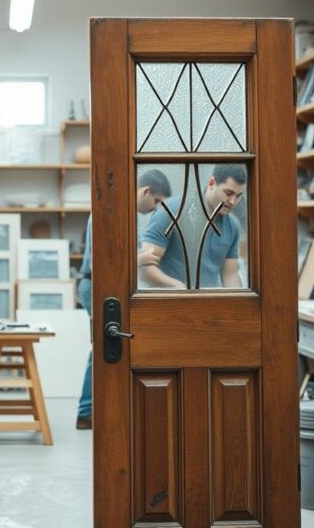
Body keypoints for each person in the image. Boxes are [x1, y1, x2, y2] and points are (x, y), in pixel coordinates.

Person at [75, 169, 172, 430]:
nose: (156, 209)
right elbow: (100, 265)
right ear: (146, 191)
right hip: (92, 285)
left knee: (107, 345)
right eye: (157, 202)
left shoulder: (125, 213)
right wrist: (139, 259)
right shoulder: (107, 210)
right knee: (104, 346)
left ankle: (99, 410)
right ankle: (87, 413)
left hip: (101, 285)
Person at [140, 164, 246, 290]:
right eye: (229, 193)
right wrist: (177, 287)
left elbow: (230, 276)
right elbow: (144, 268)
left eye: (238, 196)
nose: (233, 201)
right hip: (170, 304)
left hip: (210, 304)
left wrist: (240, 306)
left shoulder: (232, 226)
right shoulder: (171, 211)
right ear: (212, 183)